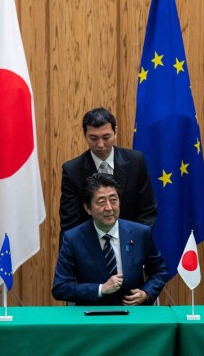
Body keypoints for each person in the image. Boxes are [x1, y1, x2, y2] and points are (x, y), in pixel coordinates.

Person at [52, 173, 168, 306]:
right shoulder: (73, 239)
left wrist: (146, 293)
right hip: (93, 317)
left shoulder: (140, 233)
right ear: (87, 208)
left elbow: (159, 271)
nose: (109, 208)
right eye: (101, 202)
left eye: (113, 200)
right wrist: (101, 289)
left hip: (134, 315)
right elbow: (60, 288)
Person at [59, 107, 157, 238]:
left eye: (106, 137)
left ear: (115, 132)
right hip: (90, 248)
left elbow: (148, 211)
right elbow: (70, 224)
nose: (100, 144)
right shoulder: (72, 170)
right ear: (85, 135)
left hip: (131, 243)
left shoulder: (136, 161)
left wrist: (132, 242)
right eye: (93, 138)